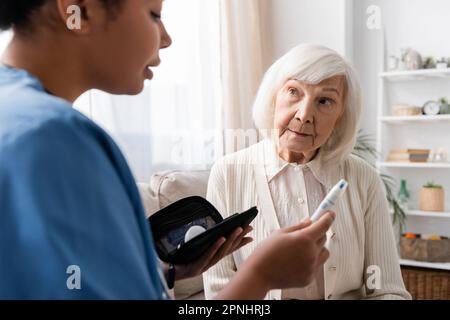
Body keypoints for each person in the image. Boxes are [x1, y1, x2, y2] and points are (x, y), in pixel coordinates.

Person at [0, 0, 334, 299]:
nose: (166, 38)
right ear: (79, 10)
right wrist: (262, 274)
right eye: (153, 15)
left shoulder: (16, 115)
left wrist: (165, 273)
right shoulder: (57, 138)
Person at [203, 44, 411, 300]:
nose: (304, 115)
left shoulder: (363, 178)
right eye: (293, 92)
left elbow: (388, 291)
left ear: (341, 116)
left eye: (324, 101)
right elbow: (218, 294)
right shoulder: (228, 174)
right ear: (273, 97)